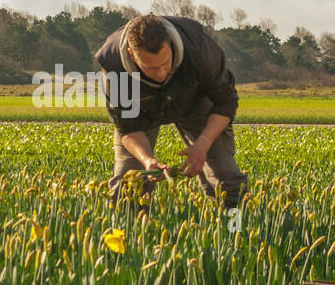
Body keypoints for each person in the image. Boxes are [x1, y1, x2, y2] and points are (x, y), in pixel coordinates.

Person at [94, 13, 246, 211]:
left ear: (171, 46)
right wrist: (147, 160)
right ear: (132, 54)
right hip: (140, 113)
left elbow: (226, 102)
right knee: (129, 184)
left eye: (165, 63)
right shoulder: (114, 66)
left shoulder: (200, 50)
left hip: (195, 102)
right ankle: (129, 237)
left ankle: (234, 234)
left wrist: (203, 144)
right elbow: (127, 127)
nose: (161, 73)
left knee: (227, 178)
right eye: (151, 67)